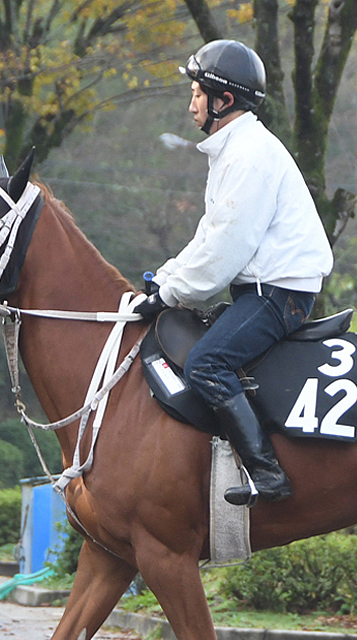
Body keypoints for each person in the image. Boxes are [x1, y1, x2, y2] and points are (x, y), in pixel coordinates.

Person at [135, 39, 334, 507]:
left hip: (278, 295)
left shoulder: (249, 156)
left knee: (207, 363)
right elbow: (210, 235)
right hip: (263, 290)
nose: (191, 106)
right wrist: (165, 281)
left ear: (223, 101)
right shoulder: (233, 150)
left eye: (197, 94)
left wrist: (170, 295)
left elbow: (226, 249)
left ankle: (268, 475)